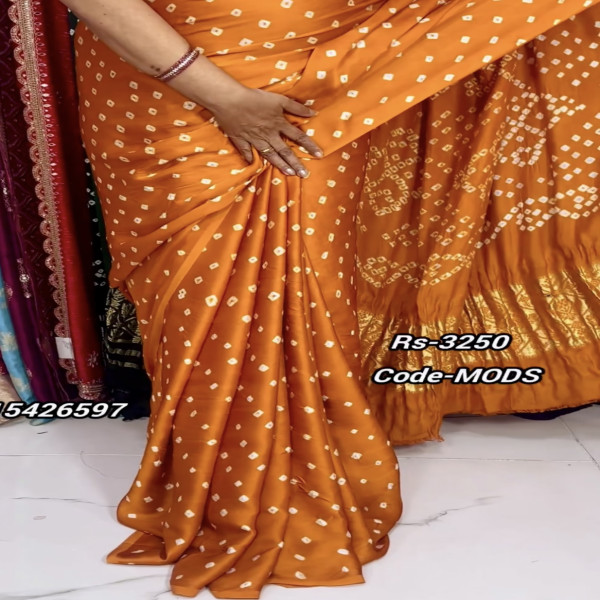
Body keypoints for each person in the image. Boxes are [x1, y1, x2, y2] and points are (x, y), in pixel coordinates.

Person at [60, 0, 600, 597]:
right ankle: (229, 488)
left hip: (328, 75)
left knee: (309, 283)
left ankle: (298, 470)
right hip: (177, 84)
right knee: (204, 299)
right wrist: (220, 95)